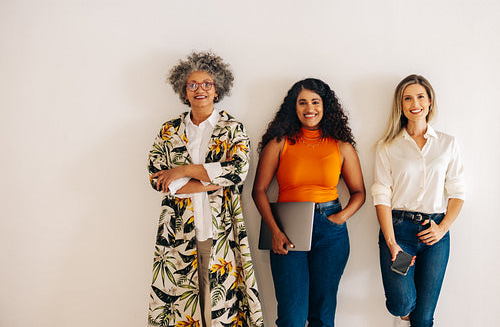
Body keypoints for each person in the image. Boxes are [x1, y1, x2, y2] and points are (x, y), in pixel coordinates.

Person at [147, 51, 263, 327]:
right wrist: (211, 180)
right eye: (192, 84)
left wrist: (182, 170)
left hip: (222, 229)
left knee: (221, 306)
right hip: (178, 230)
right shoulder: (169, 131)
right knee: (183, 304)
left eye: (206, 84)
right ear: (183, 91)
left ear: (217, 89)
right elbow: (158, 179)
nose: (200, 89)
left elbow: (237, 171)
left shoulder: (232, 129)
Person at [252, 78, 366, 326]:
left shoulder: (341, 146)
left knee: (322, 315)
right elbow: (259, 190)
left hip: (330, 230)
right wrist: (274, 230)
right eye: (302, 102)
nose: (309, 108)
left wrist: (340, 218)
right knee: (291, 317)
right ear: (294, 107)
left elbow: (359, 192)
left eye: (315, 102)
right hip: (287, 228)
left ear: (325, 106)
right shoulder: (279, 143)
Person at [371, 74, 465, 327]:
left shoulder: (447, 143)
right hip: (401, 234)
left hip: (434, 235)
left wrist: (442, 227)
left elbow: (457, 191)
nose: (415, 103)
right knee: (402, 303)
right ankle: (404, 313)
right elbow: (381, 196)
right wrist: (392, 243)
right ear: (400, 105)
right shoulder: (387, 146)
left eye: (420, 96)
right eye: (408, 98)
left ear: (430, 101)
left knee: (423, 318)